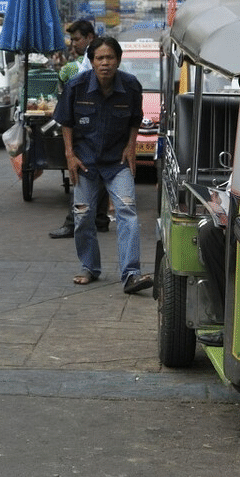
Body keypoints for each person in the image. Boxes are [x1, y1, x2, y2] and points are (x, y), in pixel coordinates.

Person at [53, 37, 151, 294]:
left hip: (117, 162)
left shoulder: (131, 86)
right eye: (100, 58)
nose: (105, 63)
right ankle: (89, 266)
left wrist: (131, 147)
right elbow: (66, 122)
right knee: (83, 215)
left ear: (118, 60)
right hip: (85, 162)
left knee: (127, 212)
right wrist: (69, 155)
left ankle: (131, 274)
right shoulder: (76, 86)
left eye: (110, 58)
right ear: (92, 61)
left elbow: (135, 119)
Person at [49, 19, 109, 238]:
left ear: (90, 38)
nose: (73, 44)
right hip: (89, 124)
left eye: (77, 39)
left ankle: (73, 222)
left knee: (82, 173)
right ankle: (100, 219)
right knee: (97, 172)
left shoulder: (85, 65)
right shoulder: (82, 63)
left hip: (92, 126)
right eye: (72, 40)